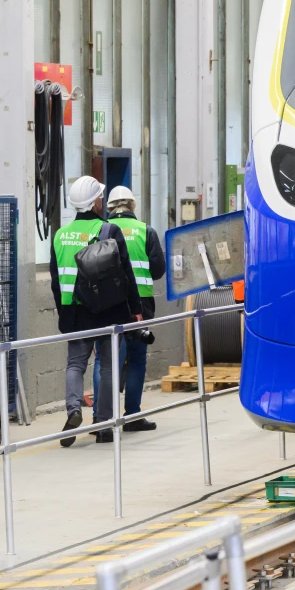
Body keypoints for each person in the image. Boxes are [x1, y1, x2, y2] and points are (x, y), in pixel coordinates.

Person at [50, 176, 134, 447]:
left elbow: (55, 279)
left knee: (75, 364)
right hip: (108, 311)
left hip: (73, 312)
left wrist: (63, 309)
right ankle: (106, 424)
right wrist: (135, 310)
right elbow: (126, 274)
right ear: (96, 202)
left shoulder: (60, 235)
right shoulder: (109, 231)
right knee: (109, 365)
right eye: (100, 197)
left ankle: (74, 410)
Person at [92, 185, 166, 435]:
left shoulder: (101, 230)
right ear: (133, 206)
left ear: (110, 208)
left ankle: (100, 419)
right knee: (136, 359)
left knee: (104, 360)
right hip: (141, 305)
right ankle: (132, 415)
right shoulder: (147, 231)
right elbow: (158, 270)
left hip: (109, 304)